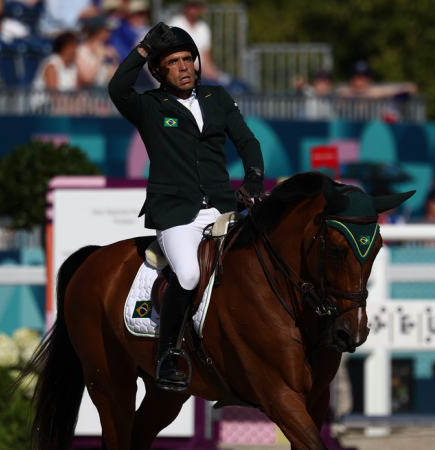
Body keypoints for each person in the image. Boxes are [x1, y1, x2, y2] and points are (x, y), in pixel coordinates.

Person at [108, 23, 265, 389]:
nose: (184, 67)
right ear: (160, 72)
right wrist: (146, 48)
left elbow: (246, 141)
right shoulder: (148, 106)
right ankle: (166, 355)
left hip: (223, 209)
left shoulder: (218, 99)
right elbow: (117, 88)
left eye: (187, 59)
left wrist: (254, 177)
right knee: (190, 275)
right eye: (173, 62)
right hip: (178, 214)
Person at [168, 0, 227, 84]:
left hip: (201, 73)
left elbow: (206, 58)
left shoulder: (203, 28)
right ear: (186, 6)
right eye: (193, 5)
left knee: (235, 86)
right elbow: (177, 57)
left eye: (198, 6)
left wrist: (216, 74)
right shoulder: (176, 24)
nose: (195, 9)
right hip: (184, 74)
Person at [76, 16, 120, 88]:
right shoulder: (81, 50)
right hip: (87, 96)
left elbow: (115, 82)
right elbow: (87, 79)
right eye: (107, 30)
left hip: (104, 95)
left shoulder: (108, 50)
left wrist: (114, 60)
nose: (110, 33)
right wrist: (99, 57)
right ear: (98, 31)